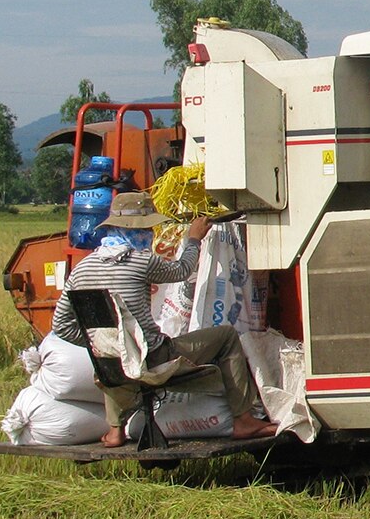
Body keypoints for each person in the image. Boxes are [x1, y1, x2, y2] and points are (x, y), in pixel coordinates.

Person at [50, 191, 276, 447]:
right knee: (226, 336)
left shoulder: (82, 269)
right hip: (156, 357)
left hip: (110, 365)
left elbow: (61, 325)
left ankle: (115, 431)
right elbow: (182, 270)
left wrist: (102, 342)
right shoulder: (139, 260)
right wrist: (194, 238)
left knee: (113, 352)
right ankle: (244, 419)